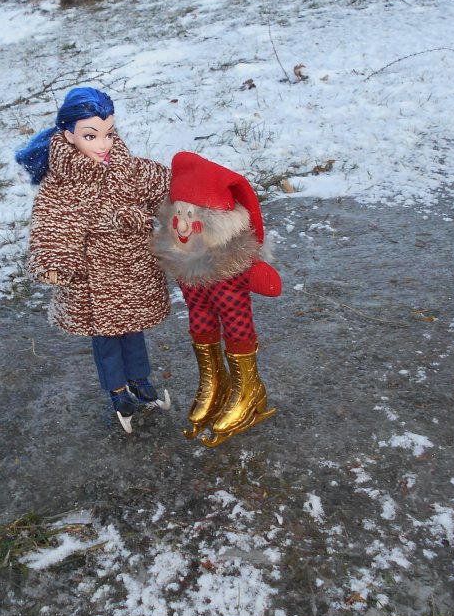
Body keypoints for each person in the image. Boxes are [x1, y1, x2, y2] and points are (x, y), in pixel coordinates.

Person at [15, 87, 172, 433]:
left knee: (133, 330)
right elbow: (52, 224)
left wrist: (195, 194)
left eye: (108, 133)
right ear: (69, 135)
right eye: (91, 136)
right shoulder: (60, 185)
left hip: (133, 269)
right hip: (92, 278)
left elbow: (165, 185)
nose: (103, 144)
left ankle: (140, 381)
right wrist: (54, 262)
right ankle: (117, 392)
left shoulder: (129, 169)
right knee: (106, 338)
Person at [151, 152, 282, 448]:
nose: (182, 225)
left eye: (192, 216)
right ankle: (215, 382)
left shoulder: (231, 263)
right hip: (192, 262)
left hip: (222, 272)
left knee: (236, 324)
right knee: (199, 317)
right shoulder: (182, 253)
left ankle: (248, 389)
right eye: (179, 214)